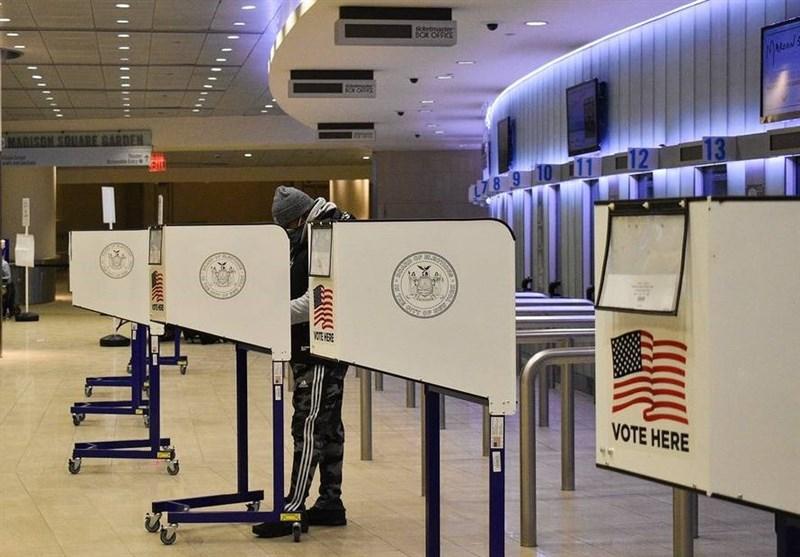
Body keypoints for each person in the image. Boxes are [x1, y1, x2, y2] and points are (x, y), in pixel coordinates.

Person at [253, 186, 352, 539]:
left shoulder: (326, 234)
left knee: (308, 425)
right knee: (328, 426)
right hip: (315, 346)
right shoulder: (315, 232)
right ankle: (330, 503)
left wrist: (269, 312)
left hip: (321, 348)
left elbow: (319, 300)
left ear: (297, 218)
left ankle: (293, 508)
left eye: (287, 227)